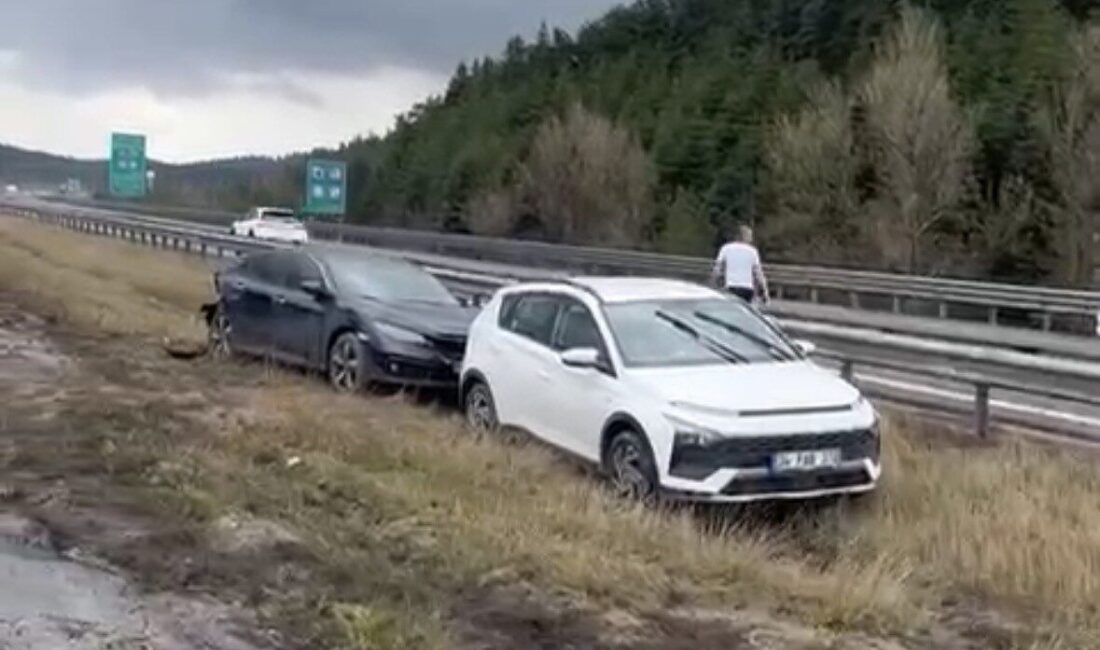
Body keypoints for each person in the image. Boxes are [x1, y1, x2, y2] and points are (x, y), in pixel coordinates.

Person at [713, 225, 769, 305]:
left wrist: (715, 284)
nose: (751, 239)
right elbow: (758, 274)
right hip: (747, 288)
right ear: (745, 237)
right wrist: (765, 292)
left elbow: (717, 270)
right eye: (750, 236)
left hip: (731, 286)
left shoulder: (726, 248)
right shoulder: (752, 251)